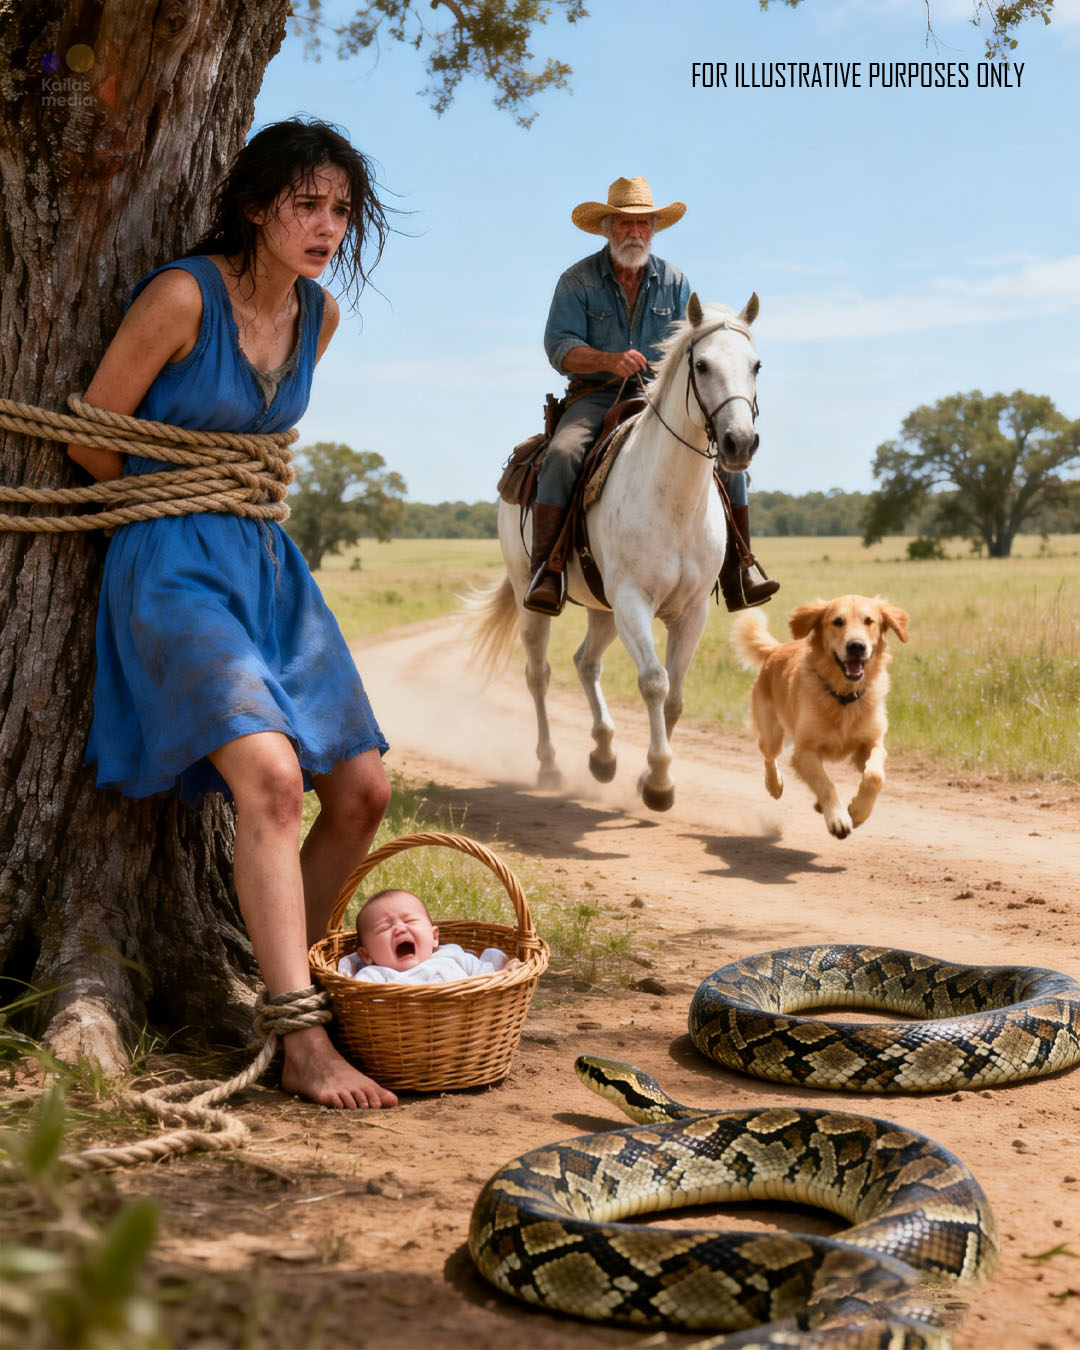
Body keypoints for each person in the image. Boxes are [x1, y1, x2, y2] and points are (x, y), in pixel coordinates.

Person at [67, 118, 398, 1111]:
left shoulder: (318, 317)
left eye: (341, 210)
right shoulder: (181, 297)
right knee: (273, 780)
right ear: (255, 207)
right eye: (307, 204)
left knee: (364, 792)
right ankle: (302, 1040)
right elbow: (91, 440)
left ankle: (276, 983)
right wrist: (178, 503)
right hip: (170, 562)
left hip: (267, 564)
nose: (327, 226)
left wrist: (227, 496)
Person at [525, 175, 779, 616]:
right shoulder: (577, 281)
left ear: (653, 229)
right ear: (607, 228)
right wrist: (609, 360)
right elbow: (559, 347)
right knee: (564, 453)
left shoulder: (675, 281)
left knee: (726, 461)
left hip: (659, 400)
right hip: (595, 396)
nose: (634, 232)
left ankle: (740, 568)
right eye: (625, 224)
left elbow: (690, 347)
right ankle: (547, 569)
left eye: (643, 223)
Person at [337, 888, 512, 984]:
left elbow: (488, 976)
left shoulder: (452, 954)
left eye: (409, 921)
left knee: (493, 956)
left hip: (466, 1023)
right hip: (409, 1031)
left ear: (434, 937)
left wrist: (507, 970)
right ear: (366, 955)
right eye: (385, 927)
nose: (399, 929)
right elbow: (363, 1000)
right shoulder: (375, 975)